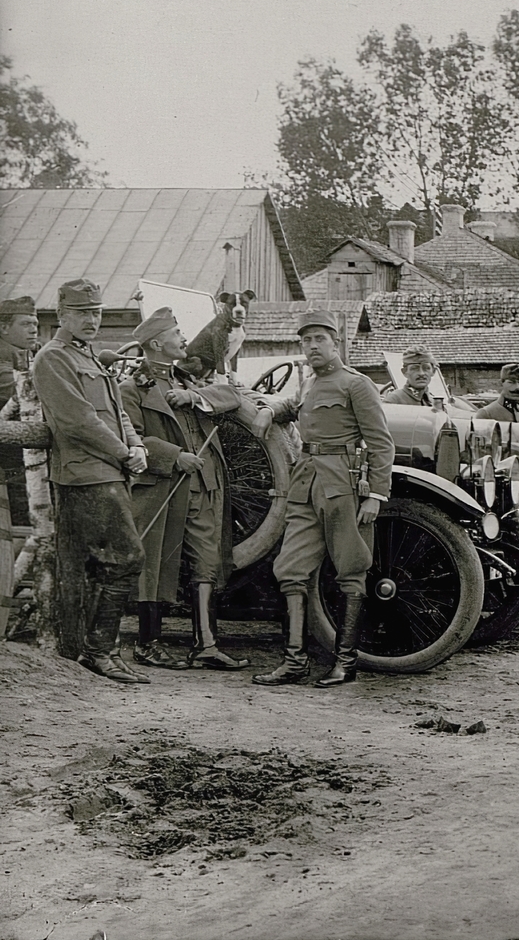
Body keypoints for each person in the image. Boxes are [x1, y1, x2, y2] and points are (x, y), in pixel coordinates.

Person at [254, 311, 394, 688]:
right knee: (290, 569)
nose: (312, 346)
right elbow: (294, 407)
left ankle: (345, 664)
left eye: (319, 339)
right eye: (306, 341)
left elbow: (381, 443)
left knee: (351, 570)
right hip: (305, 485)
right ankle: (295, 661)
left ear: (335, 343)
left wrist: (376, 495)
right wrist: (269, 409)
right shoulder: (308, 384)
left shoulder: (357, 384)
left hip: (343, 486)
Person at [33, 279, 151, 683]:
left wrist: (136, 447)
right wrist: (123, 453)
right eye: (83, 312)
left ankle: (101, 651)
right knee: (126, 557)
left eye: (97, 312)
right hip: (85, 474)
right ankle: (97, 651)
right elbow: (78, 421)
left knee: (110, 563)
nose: (91, 320)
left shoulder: (89, 357)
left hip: (109, 471)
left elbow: (117, 413)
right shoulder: (54, 358)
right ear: (62, 315)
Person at [119, 307, 246, 672]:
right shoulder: (131, 388)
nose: (184, 339)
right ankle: (147, 644)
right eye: (177, 334)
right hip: (161, 487)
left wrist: (195, 398)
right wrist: (175, 456)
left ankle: (206, 645)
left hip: (203, 487)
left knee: (207, 563)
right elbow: (131, 438)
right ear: (157, 344)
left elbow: (232, 395)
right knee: (153, 564)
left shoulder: (187, 383)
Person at [0, 295, 39, 531]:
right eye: (26, 324)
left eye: (35, 324)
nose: (33, 329)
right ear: (4, 328)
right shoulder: (5, 361)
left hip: (26, 464)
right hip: (11, 466)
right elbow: (21, 391)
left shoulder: (26, 357)